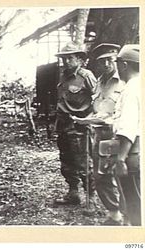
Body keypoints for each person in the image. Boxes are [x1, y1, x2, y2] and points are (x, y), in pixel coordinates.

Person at [74, 43, 126, 224]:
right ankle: (114, 212)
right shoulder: (99, 82)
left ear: (117, 60)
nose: (106, 65)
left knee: (119, 174)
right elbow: (96, 110)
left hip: (118, 135)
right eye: (102, 61)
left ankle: (126, 214)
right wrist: (84, 119)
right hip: (99, 134)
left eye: (109, 60)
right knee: (100, 175)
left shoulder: (125, 82)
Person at [53, 42, 97, 205]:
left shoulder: (86, 76)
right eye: (64, 59)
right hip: (63, 124)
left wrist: (89, 120)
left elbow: (97, 99)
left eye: (70, 58)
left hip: (79, 126)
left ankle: (90, 198)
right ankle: (73, 193)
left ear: (79, 59)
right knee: (66, 160)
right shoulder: (63, 76)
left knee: (83, 162)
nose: (66, 62)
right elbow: (61, 100)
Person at [112, 44, 140, 226]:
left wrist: (121, 159)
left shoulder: (131, 89)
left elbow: (128, 128)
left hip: (133, 155)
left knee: (135, 202)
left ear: (123, 65)